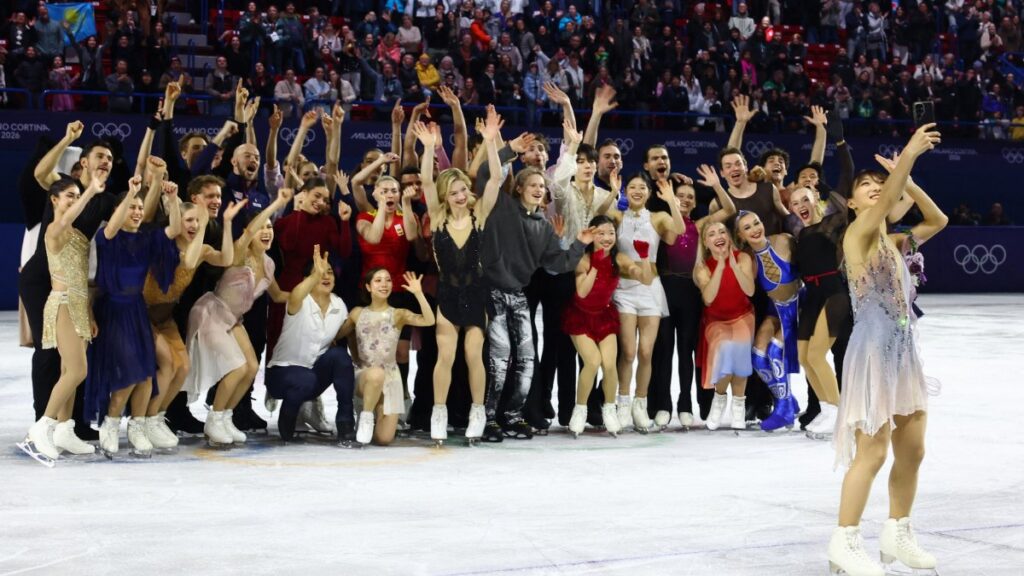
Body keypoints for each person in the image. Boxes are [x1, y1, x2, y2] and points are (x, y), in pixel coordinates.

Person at [828, 124, 945, 576]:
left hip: (903, 351)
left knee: (912, 447)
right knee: (873, 451)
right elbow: (877, 213)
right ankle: (844, 539)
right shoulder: (857, 234)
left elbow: (938, 221)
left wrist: (908, 180)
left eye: (882, 186)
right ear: (853, 203)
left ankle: (897, 531)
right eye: (866, 188)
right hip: (873, 352)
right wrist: (910, 155)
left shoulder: (896, 242)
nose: (875, 191)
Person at [480, 165, 593, 442]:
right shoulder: (501, 207)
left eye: (542, 186)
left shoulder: (543, 225)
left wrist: (578, 243)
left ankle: (513, 416)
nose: (538, 189)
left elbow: (560, 262)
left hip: (518, 295)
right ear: (519, 188)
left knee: (527, 359)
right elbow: (486, 176)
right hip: (492, 292)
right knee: (499, 358)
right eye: (533, 185)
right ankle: (490, 418)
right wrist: (506, 150)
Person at [412, 112, 502, 445]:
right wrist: (428, 150)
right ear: (445, 196)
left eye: (463, 189)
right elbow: (424, 182)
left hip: (477, 294)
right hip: (448, 296)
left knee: (473, 355)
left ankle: (478, 411)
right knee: (445, 356)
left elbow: (494, 180)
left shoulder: (479, 216)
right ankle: (439, 411)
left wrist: (491, 141)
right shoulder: (436, 218)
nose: (461, 195)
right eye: (454, 191)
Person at [183, 188, 293, 446]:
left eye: (270, 227)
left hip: (234, 319)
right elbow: (246, 234)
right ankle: (214, 418)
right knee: (237, 368)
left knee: (252, 368)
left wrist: (315, 286)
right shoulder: (239, 253)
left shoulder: (268, 264)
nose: (267, 231)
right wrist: (276, 203)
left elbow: (278, 296)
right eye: (261, 227)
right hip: (212, 312)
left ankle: (225, 417)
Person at [87, 174, 181, 457]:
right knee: (128, 370)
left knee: (145, 374)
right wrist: (130, 193)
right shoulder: (107, 237)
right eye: (132, 207)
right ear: (120, 210)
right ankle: (111, 423)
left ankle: (137, 424)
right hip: (113, 310)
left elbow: (174, 229)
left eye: (140, 208)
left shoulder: (146, 239)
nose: (138, 211)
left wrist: (173, 199)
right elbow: (113, 227)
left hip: (137, 311)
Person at [142, 191, 241, 450]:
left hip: (166, 316)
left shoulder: (202, 247)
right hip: (142, 313)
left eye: (197, 221)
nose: (194, 226)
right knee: (168, 363)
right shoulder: (166, 243)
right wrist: (204, 224)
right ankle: (146, 420)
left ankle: (157, 417)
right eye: (189, 220)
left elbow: (227, 259)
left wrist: (228, 224)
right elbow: (188, 259)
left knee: (183, 368)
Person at [18, 177, 105, 465]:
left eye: (77, 195)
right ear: (54, 200)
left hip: (79, 305)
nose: (73, 200)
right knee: (77, 371)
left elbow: (81, 275)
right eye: (69, 195)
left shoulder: (77, 233)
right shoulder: (54, 229)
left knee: (70, 368)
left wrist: (89, 312)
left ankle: (65, 429)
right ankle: (41, 428)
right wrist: (91, 190)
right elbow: (66, 218)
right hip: (63, 304)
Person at [649, 165, 737, 429]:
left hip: (690, 293)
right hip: (664, 289)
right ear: (670, 197)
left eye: (690, 196)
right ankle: (663, 404)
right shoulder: (663, 221)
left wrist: (717, 186)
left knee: (686, 351)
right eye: (681, 195)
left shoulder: (699, 225)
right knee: (663, 350)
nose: (686, 199)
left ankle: (685, 403)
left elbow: (729, 210)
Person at [563, 215, 656, 438]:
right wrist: (595, 264)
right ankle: (580, 410)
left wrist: (643, 257)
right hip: (580, 317)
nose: (606, 237)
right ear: (592, 235)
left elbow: (645, 279)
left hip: (604, 316)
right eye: (600, 233)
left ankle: (609, 408)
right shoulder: (583, 260)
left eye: (611, 233)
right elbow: (583, 292)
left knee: (610, 364)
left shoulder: (620, 258)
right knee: (593, 362)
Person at [606, 175, 684, 432]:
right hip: (624, 289)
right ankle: (623, 403)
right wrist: (613, 192)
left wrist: (671, 199)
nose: (637, 191)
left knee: (646, 352)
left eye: (642, 187)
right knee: (627, 352)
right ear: (626, 191)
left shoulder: (659, 218)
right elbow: (598, 220)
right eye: (632, 187)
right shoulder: (618, 217)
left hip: (651, 289)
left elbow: (678, 233)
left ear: (649, 192)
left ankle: (641, 403)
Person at [266, 246, 356, 444]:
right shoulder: (299, 300)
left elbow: (337, 337)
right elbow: (297, 292)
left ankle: (346, 423)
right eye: (319, 273)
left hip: (313, 376)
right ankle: (287, 421)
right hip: (281, 374)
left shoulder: (339, 305)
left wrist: (352, 322)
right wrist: (315, 275)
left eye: (329, 273)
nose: (325, 276)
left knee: (340, 356)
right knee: (303, 378)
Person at [337, 270, 435, 446]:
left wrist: (419, 294)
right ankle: (366, 417)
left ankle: (374, 421)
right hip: (366, 375)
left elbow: (429, 320)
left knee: (384, 439)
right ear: (368, 287)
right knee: (375, 374)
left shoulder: (398, 314)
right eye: (378, 280)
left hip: (391, 378)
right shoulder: (357, 313)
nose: (384, 284)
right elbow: (337, 335)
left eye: (388, 280)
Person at [735, 210, 802, 431]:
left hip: (800, 305)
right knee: (757, 355)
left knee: (775, 351)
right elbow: (748, 288)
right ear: (741, 235)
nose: (755, 229)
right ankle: (788, 400)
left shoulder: (784, 240)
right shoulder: (749, 259)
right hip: (776, 310)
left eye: (756, 222)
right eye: (747, 228)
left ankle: (784, 409)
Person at [694, 221, 756, 431]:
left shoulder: (744, 258)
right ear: (706, 242)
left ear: (729, 237)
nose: (718, 235)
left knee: (739, 352)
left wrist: (733, 263)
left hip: (742, 316)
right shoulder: (702, 268)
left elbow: (749, 291)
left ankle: (738, 404)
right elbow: (709, 298)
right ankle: (719, 399)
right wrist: (720, 266)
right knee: (726, 352)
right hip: (716, 321)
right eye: (711, 234)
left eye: (722, 231)